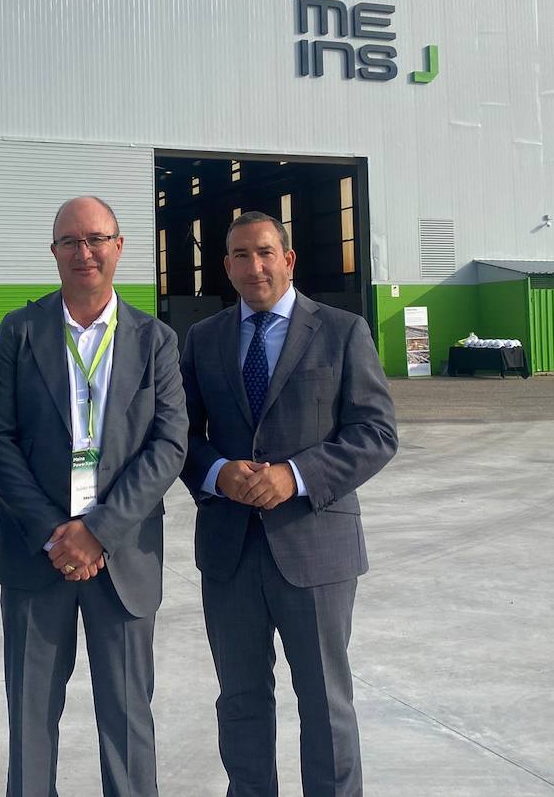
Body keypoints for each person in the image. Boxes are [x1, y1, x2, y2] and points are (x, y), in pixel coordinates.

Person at [179, 211, 397, 797]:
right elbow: (179, 437)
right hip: (230, 551)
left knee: (325, 700)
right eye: (241, 256)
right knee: (241, 698)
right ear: (225, 267)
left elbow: (376, 433)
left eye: (266, 252)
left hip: (315, 548)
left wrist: (295, 475)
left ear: (289, 258)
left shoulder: (342, 331)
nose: (255, 266)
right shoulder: (203, 340)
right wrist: (219, 473)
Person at [0, 196, 187, 797]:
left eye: (96, 239)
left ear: (119, 247)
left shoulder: (156, 340)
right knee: (30, 719)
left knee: (127, 721)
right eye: (70, 241)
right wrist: (54, 531)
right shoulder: (20, 331)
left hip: (122, 557)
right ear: (54, 253)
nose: (84, 252)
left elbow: (169, 445)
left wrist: (98, 531)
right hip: (34, 555)